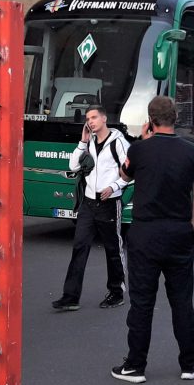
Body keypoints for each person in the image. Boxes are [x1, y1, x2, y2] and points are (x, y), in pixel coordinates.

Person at [111, 96, 194, 384]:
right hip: (178, 233)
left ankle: (135, 366)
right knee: (182, 301)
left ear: (150, 120)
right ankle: (189, 364)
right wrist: (190, 227)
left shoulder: (139, 150)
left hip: (145, 234)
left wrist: (142, 141)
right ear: (175, 118)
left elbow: (123, 175)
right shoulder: (192, 151)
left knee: (142, 303)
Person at [52, 105, 130, 311]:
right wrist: (82, 142)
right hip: (88, 203)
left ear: (104, 118)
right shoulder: (90, 142)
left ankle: (116, 292)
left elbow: (131, 171)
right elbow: (73, 166)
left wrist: (114, 187)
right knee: (79, 247)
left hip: (109, 203)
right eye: (88, 118)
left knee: (113, 249)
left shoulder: (119, 142)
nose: (91, 121)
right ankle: (70, 297)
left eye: (94, 117)